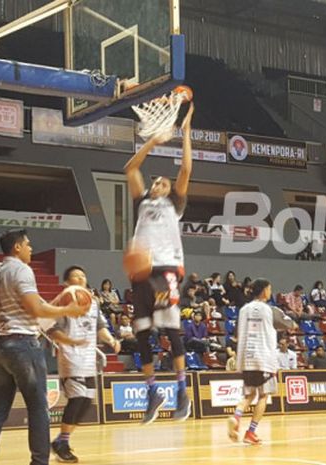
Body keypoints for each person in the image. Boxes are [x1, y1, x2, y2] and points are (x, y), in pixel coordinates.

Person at [124, 102, 195, 424]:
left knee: (170, 329)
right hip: (141, 272)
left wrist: (185, 133)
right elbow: (130, 169)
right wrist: (152, 142)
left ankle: (182, 391)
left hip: (166, 268)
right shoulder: (143, 202)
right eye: (157, 183)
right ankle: (153, 390)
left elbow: (185, 170)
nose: (159, 185)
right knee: (141, 333)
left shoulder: (173, 206)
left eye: (164, 184)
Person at [0, 229, 88, 465]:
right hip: (22, 345)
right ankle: (39, 462)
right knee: (38, 408)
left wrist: (53, 306)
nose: (30, 248)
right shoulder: (22, 270)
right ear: (17, 247)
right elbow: (36, 310)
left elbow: (31, 308)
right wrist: (69, 310)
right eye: (27, 244)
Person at [48, 266, 121, 463]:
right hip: (70, 357)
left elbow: (100, 327)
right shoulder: (63, 301)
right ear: (67, 283)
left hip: (89, 359)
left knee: (87, 402)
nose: (80, 278)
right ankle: (62, 442)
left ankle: (61, 440)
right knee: (78, 398)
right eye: (75, 276)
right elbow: (51, 328)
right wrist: (69, 342)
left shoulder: (94, 302)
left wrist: (112, 341)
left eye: (83, 275)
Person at [228, 278, 297, 445]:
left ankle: (236, 416)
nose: (270, 291)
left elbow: (236, 334)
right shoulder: (270, 310)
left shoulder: (243, 310)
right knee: (263, 395)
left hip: (246, 357)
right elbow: (290, 324)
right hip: (264, 358)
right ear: (264, 291)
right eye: (270, 288)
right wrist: (290, 323)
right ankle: (250, 432)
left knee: (249, 394)